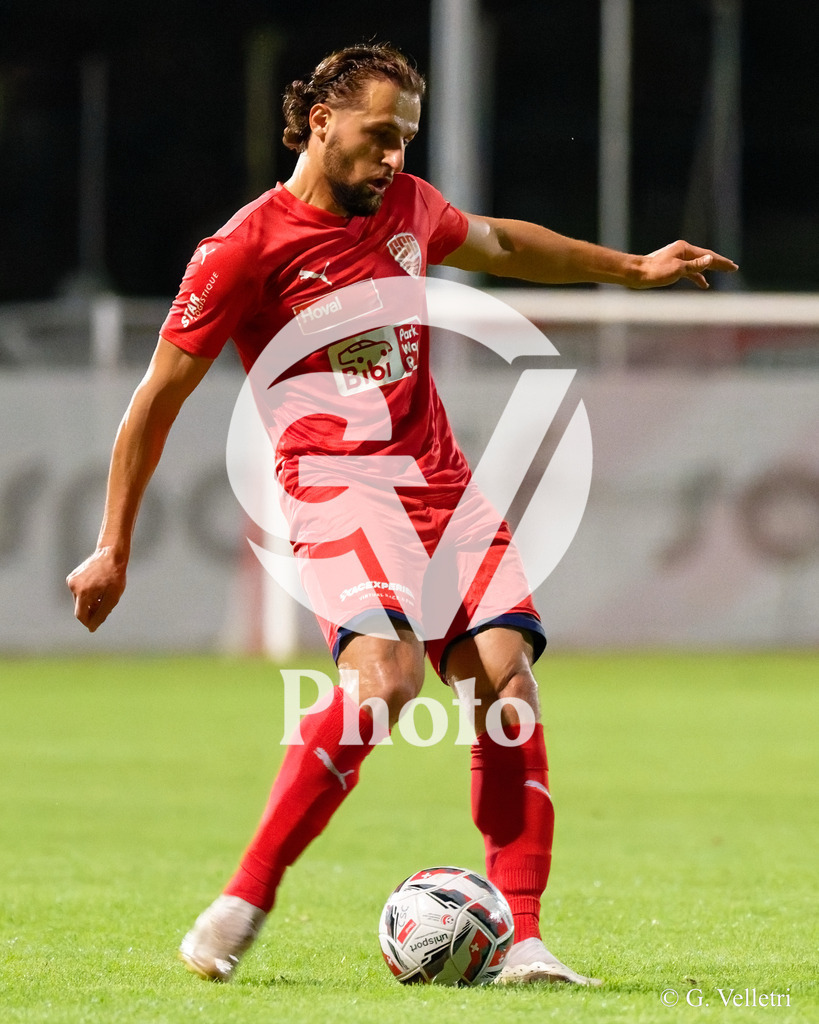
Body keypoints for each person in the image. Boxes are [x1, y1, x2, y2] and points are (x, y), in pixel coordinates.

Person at [67, 42, 738, 987]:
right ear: (318, 123)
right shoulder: (243, 248)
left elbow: (499, 243)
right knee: (386, 681)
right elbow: (153, 402)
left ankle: (526, 940)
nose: (393, 158)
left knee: (508, 693)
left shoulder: (408, 207)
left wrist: (630, 269)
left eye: (406, 140)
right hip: (337, 491)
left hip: (443, 489)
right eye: (380, 137)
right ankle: (243, 898)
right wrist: (112, 547)